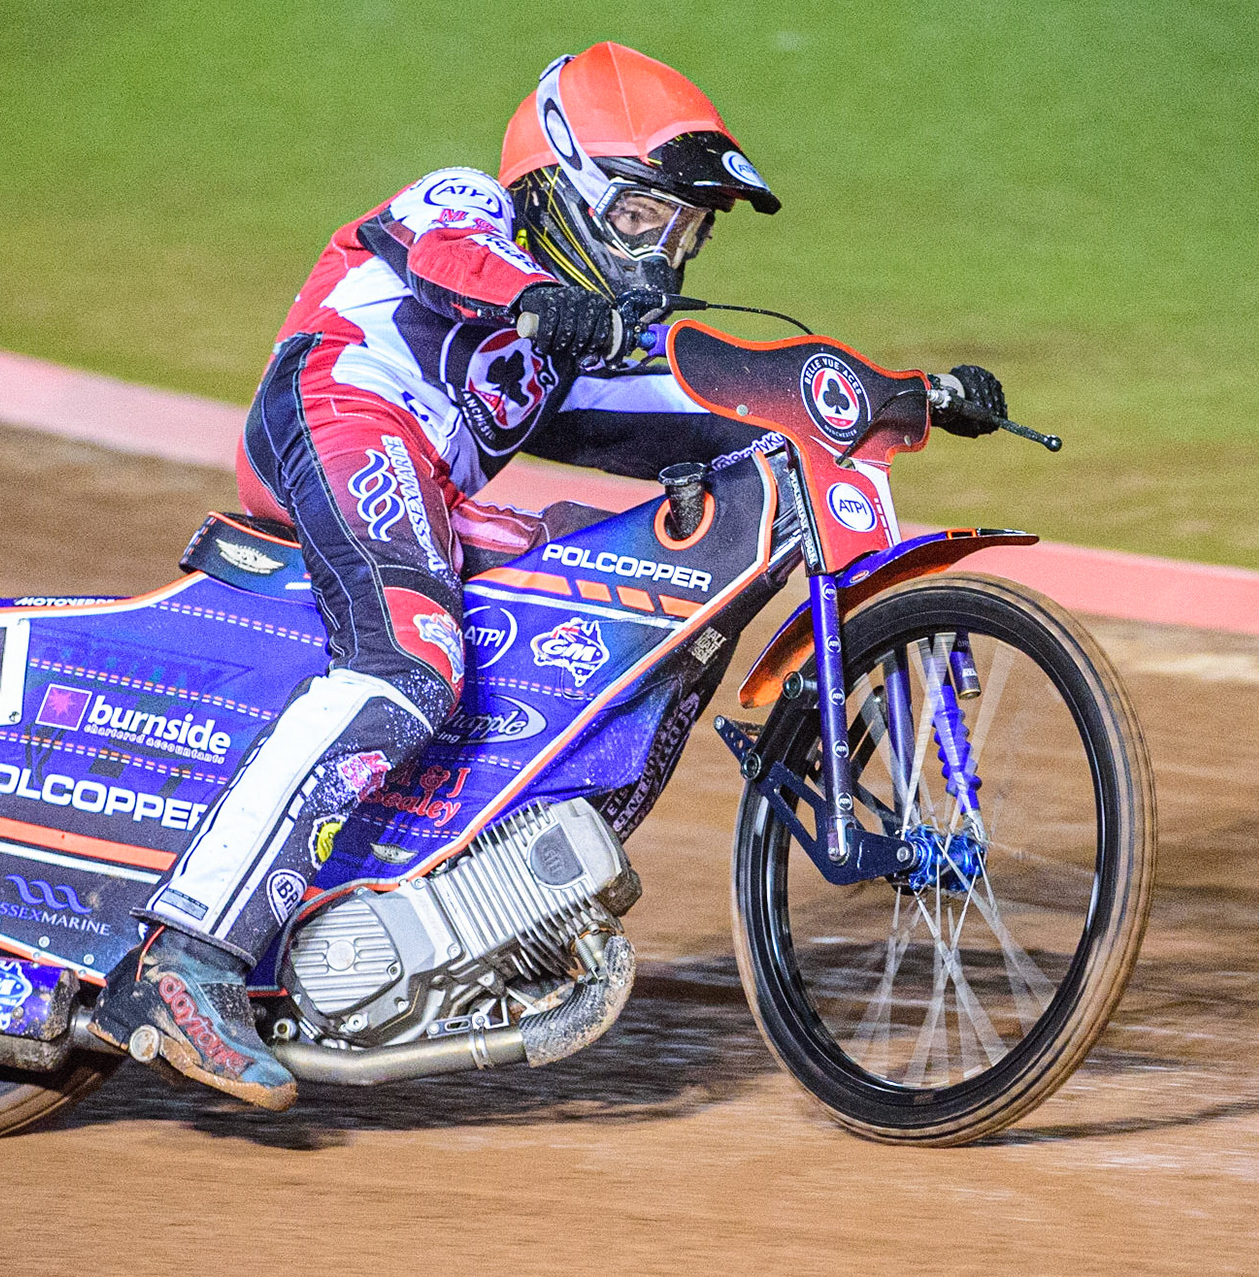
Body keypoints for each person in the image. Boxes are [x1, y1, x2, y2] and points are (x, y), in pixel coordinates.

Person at [88, 42, 1005, 1108]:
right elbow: (454, 260)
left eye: (685, 232)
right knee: (410, 662)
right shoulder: (467, 202)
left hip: (433, 487)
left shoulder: (565, 350)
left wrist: (905, 399)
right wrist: (540, 302)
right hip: (339, 410)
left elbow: (707, 411)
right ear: (563, 186)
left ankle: (439, 911)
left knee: (574, 611)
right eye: (640, 219)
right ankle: (184, 955)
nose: (663, 259)